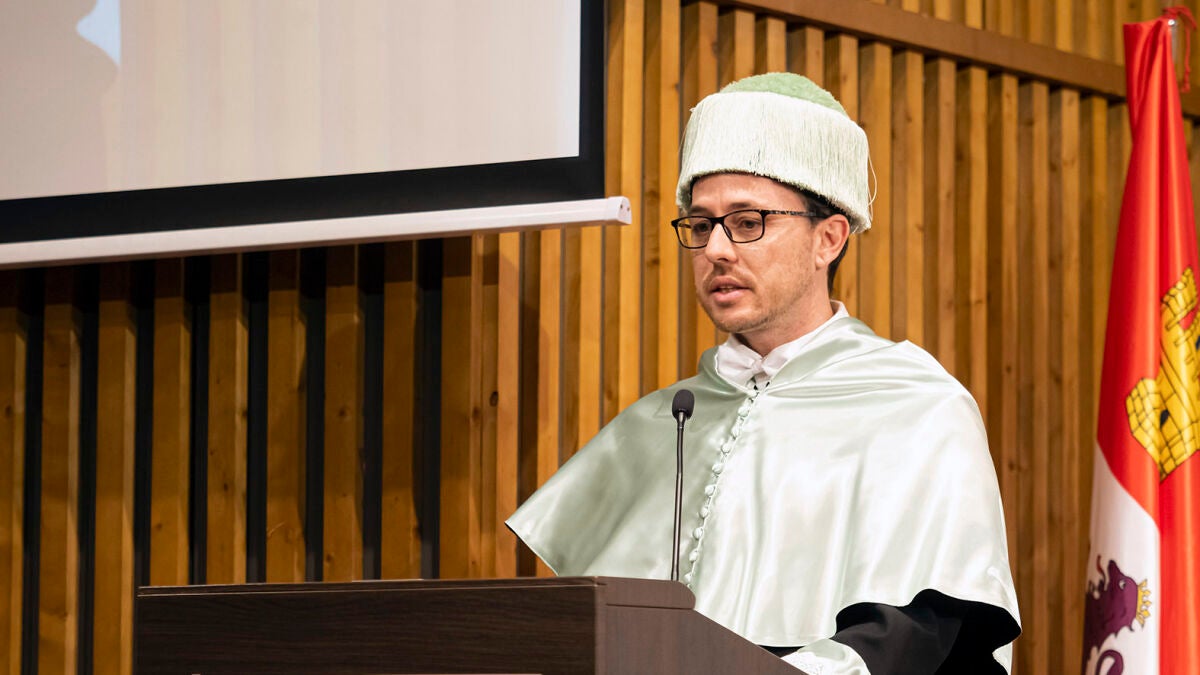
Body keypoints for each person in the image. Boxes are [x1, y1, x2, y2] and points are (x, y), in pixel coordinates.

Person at [506, 73, 1020, 674]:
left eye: (748, 222)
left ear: (829, 239)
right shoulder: (661, 420)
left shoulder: (916, 405)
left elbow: (919, 630)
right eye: (701, 225)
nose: (716, 250)